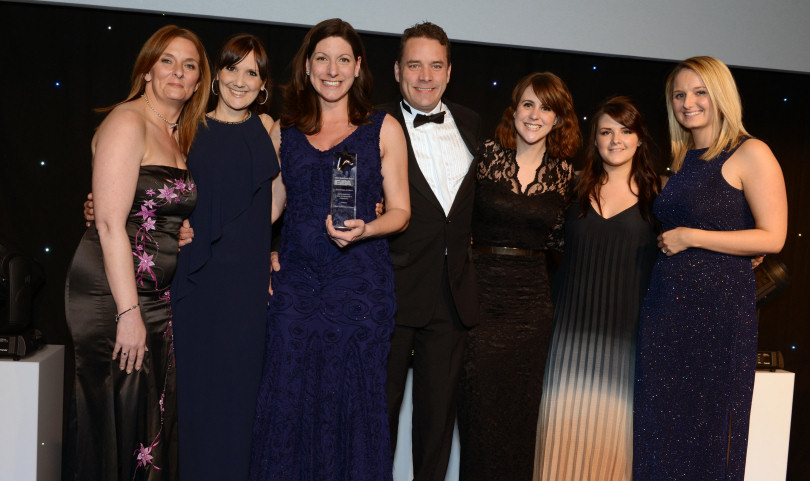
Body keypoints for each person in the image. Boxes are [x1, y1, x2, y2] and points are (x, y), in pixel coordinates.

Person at [248, 18, 409, 481]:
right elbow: (273, 205)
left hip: (359, 288)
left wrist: (366, 229)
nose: (331, 69)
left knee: (353, 408)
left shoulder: (382, 127)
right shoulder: (285, 130)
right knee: (287, 401)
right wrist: (243, 244)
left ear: (358, 67)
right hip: (295, 287)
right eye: (322, 58)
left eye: (343, 59)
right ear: (307, 66)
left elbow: (401, 211)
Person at [64, 25, 209, 481]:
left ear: (198, 80)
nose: (178, 72)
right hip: (112, 295)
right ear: (147, 69)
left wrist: (175, 230)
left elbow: (149, 206)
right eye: (167, 60)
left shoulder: (176, 132)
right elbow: (108, 223)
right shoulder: (127, 121)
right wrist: (128, 312)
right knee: (115, 418)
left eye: (189, 65)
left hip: (152, 298)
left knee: (145, 422)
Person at [633, 56, 787, 480]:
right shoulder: (684, 160)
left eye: (700, 92)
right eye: (679, 95)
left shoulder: (750, 151)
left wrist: (693, 236)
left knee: (711, 432)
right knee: (660, 429)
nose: (689, 102)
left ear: (721, 95)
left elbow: (772, 237)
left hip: (719, 316)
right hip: (666, 313)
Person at [457, 72, 579, 481]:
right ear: (514, 109)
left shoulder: (566, 175)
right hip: (481, 297)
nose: (535, 114)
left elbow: (572, 240)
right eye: (528, 104)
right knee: (477, 410)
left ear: (559, 119)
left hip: (531, 306)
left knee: (521, 414)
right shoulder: (483, 154)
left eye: (547, 107)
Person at [170, 34, 282, 481]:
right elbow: (155, 191)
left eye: (251, 72)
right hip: (196, 282)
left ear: (263, 85)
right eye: (233, 68)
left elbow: (276, 205)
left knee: (240, 400)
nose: (240, 80)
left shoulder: (271, 129)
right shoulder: (187, 126)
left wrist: (272, 250)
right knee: (194, 398)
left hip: (246, 290)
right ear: (216, 76)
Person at [534, 97, 660, 481]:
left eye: (625, 131)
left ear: (639, 139)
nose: (615, 140)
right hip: (567, 331)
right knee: (559, 431)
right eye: (606, 132)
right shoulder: (570, 190)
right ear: (595, 140)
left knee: (611, 439)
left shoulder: (661, 196)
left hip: (626, 338)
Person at [380, 22, 482, 481]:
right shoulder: (374, 123)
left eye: (435, 65)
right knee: (376, 417)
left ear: (449, 71)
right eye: (415, 65)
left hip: (452, 296)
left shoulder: (472, 122)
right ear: (398, 70)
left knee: (437, 425)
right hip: (389, 292)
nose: (425, 75)